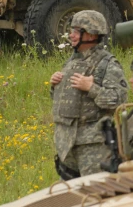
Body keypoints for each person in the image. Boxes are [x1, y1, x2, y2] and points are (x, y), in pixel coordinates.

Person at [49, 10, 128, 179]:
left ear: (91, 35)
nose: (71, 35)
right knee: (71, 199)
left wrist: (91, 88)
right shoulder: (71, 61)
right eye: (72, 31)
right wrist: (55, 86)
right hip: (67, 144)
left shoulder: (107, 64)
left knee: (94, 196)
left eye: (77, 31)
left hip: (93, 146)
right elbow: (68, 100)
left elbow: (118, 100)